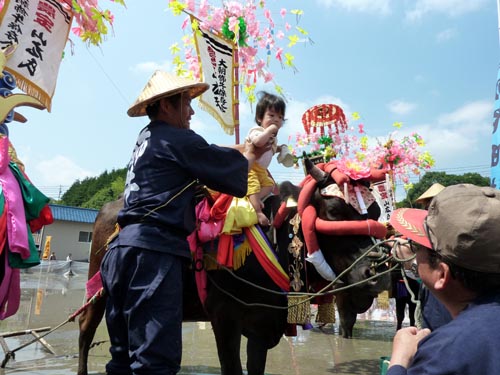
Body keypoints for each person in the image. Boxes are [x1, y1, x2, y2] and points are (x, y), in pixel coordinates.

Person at [99, 70, 267, 375]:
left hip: (121, 253)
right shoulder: (176, 138)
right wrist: (253, 149)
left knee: (122, 361)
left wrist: (242, 151)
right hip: (151, 254)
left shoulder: (147, 138)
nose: (191, 111)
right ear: (166, 105)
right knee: (155, 363)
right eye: (186, 103)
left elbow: (207, 153)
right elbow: (219, 161)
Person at [387, 184, 500, 374]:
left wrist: (399, 361)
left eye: (417, 247)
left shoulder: (444, 352)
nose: (413, 254)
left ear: (441, 274)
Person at [245, 91, 290, 226]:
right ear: (260, 118)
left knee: (270, 184)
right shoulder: (257, 131)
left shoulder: (273, 138)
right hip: (251, 168)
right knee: (252, 184)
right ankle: (258, 212)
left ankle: (256, 199)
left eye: (280, 117)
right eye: (271, 115)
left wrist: (280, 149)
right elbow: (258, 143)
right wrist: (269, 130)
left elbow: (270, 149)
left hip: (262, 171)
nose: (276, 119)